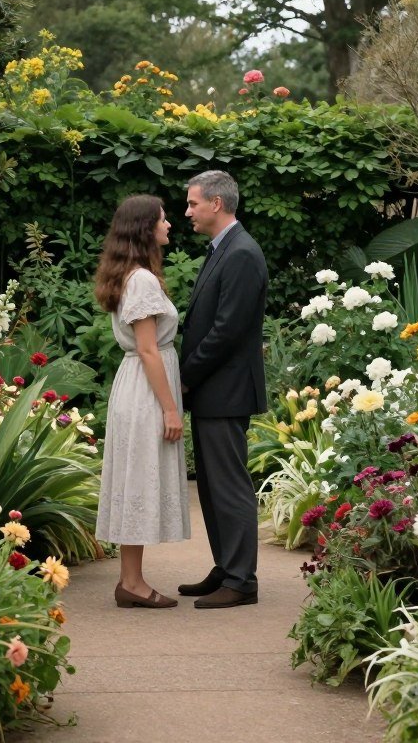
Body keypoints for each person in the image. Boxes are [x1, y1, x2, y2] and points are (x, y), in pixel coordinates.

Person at [94, 194, 190, 609]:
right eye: (163, 220)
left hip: (136, 386)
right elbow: (149, 350)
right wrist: (171, 408)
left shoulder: (130, 276)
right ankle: (131, 582)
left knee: (136, 479)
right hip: (146, 391)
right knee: (138, 480)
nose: (169, 225)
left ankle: (130, 580)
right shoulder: (143, 281)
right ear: (145, 228)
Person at [179, 170, 268, 609]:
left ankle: (241, 580)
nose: (187, 211)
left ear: (217, 204)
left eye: (193, 203)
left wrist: (185, 375)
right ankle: (227, 567)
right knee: (213, 487)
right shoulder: (224, 249)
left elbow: (226, 332)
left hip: (226, 390)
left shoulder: (242, 254)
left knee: (229, 485)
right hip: (215, 391)